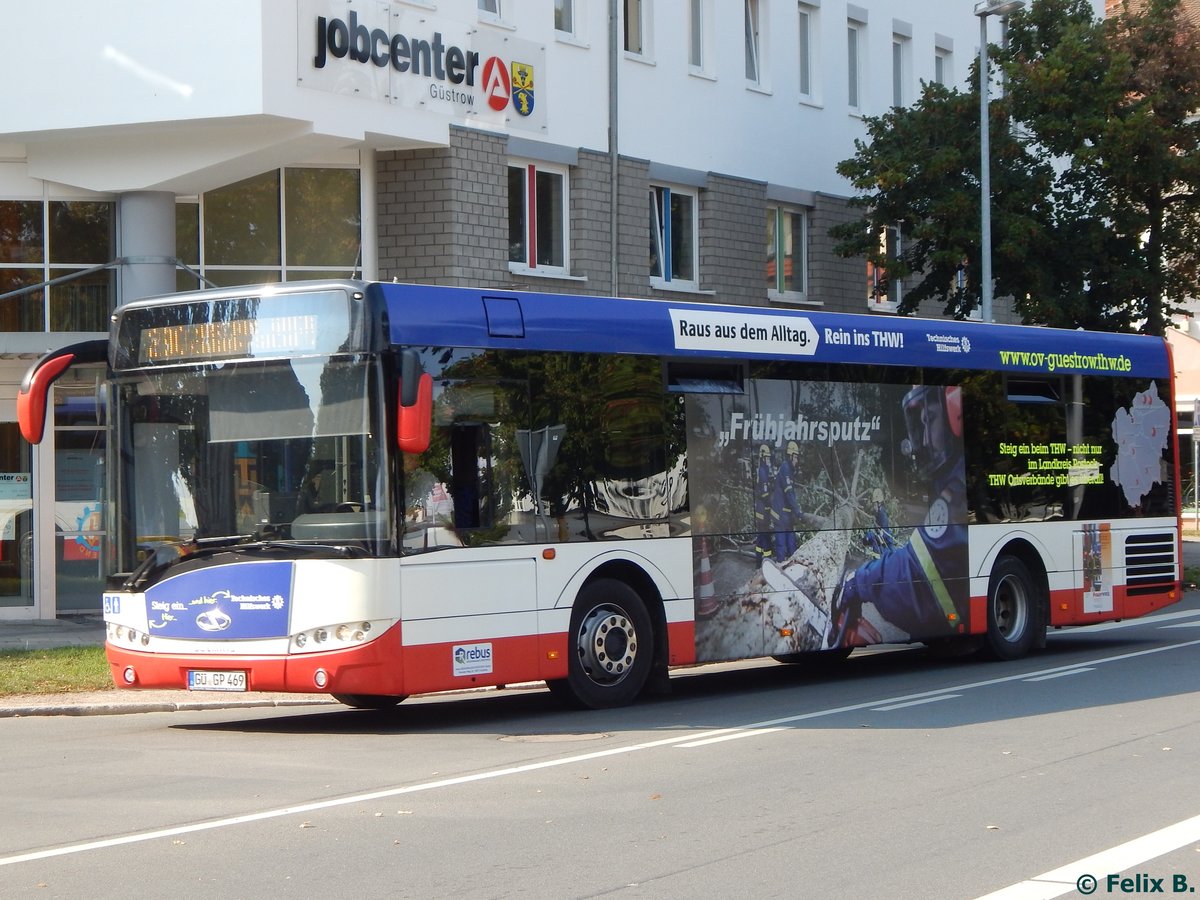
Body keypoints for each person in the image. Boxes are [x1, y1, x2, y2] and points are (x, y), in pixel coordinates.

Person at [831, 385, 968, 647]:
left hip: (889, 553)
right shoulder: (952, 484)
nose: (925, 440)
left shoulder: (957, 493)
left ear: (954, 413)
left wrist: (859, 580)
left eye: (930, 420)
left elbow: (919, 569)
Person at [774, 440, 802, 561]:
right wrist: (798, 512)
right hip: (780, 514)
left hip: (786, 514)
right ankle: (780, 569)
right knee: (781, 545)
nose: (797, 460)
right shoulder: (785, 468)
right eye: (795, 457)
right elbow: (789, 493)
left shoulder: (789, 470)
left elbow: (792, 495)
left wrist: (796, 511)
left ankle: (793, 566)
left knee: (791, 543)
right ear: (790, 456)